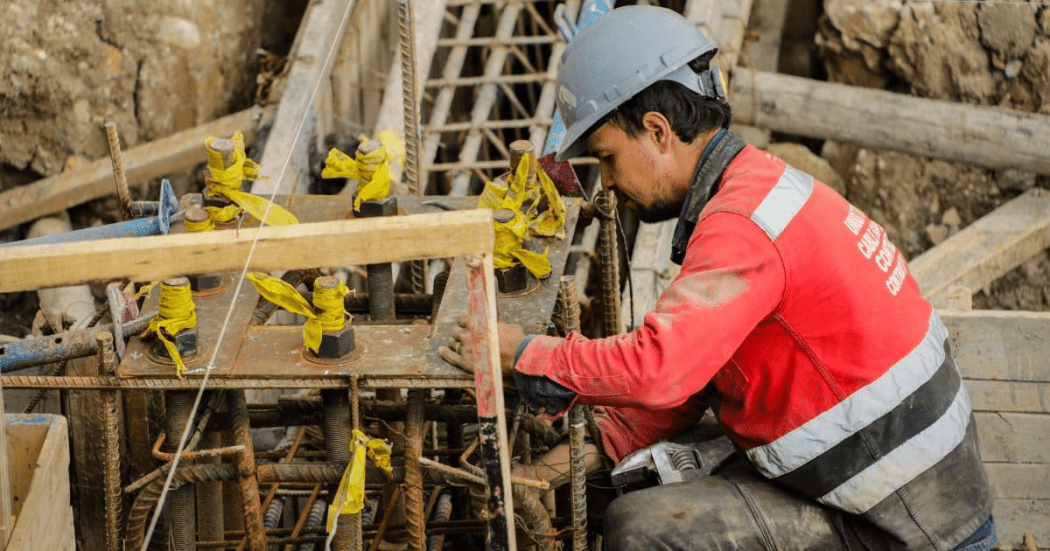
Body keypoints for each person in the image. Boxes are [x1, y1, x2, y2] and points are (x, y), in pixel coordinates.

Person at [439, 5, 995, 551]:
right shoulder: (757, 186)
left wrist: (525, 353)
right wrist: (546, 471)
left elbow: (661, 370)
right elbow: (691, 385)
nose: (605, 183)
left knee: (639, 528)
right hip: (905, 487)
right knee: (635, 478)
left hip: (906, 524)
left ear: (657, 131)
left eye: (607, 157)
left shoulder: (740, 228)